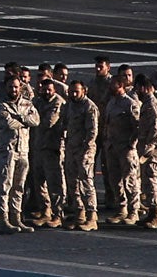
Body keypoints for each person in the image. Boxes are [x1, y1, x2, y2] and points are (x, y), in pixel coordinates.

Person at [0, 76, 40, 234]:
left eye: (16, 87)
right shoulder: (1, 105)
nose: (13, 90)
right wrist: (24, 120)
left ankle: (16, 216)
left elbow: (36, 120)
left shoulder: (27, 103)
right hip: (8, 150)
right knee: (5, 185)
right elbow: (8, 124)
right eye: (11, 87)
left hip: (23, 150)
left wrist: (20, 118)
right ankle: (3, 219)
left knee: (19, 186)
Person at [62, 79, 100, 231]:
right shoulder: (70, 105)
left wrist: (86, 151)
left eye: (76, 91)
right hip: (71, 148)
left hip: (85, 150)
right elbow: (65, 123)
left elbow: (92, 132)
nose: (73, 94)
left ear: (84, 90)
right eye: (71, 91)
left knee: (86, 182)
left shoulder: (89, 107)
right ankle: (79, 213)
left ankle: (92, 216)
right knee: (72, 182)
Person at [103, 74, 141, 225]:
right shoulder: (111, 102)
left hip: (125, 148)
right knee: (115, 181)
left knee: (130, 180)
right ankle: (121, 209)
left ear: (120, 85)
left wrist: (131, 144)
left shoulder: (130, 104)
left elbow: (137, 127)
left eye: (113, 84)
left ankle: (134, 211)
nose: (110, 86)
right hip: (112, 147)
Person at [28, 77, 66, 228]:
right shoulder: (38, 102)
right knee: (39, 182)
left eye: (49, 89)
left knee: (54, 183)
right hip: (38, 147)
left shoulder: (58, 103)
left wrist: (30, 118)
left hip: (52, 148)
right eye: (44, 89)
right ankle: (45, 211)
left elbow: (47, 122)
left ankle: (58, 214)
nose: (47, 92)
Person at [134, 74, 157, 229]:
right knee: (147, 181)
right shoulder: (146, 104)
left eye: (138, 88)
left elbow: (156, 129)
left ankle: (156, 214)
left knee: (151, 180)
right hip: (146, 148)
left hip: (151, 150)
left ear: (144, 87)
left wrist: (148, 148)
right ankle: (151, 213)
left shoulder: (152, 105)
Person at [87, 56, 116, 209]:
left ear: (108, 67)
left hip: (107, 129)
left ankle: (111, 195)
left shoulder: (112, 84)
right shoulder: (92, 83)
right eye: (96, 66)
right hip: (94, 129)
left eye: (101, 67)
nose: (98, 69)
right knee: (89, 163)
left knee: (108, 165)